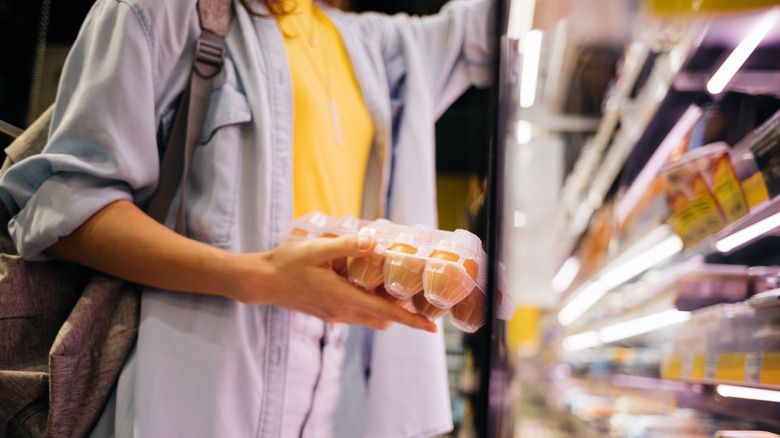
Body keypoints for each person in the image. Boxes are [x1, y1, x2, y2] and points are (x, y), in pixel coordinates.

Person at [0, 0, 495, 435]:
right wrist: (262, 279)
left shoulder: (370, 45)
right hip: (186, 394)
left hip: (326, 399)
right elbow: (66, 211)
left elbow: (497, 25)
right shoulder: (167, 10)